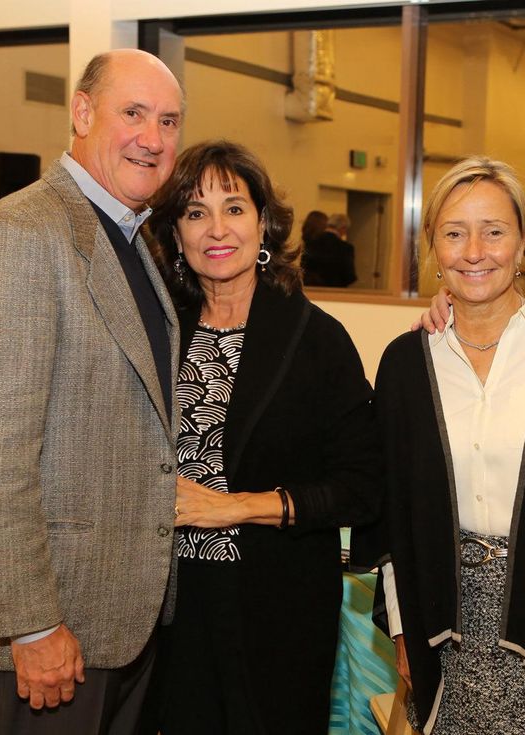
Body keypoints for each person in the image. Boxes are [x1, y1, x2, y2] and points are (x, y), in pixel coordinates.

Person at [0, 49, 184, 733]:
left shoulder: (129, 239)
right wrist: (33, 625)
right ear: (81, 112)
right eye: (132, 113)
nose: (153, 138)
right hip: (48, 635)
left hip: (114, 625)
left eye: (169, 121)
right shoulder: (18, 235)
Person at [141, 139, 380, 735]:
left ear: (263, 224)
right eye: (195, 212)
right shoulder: (158, 330)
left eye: (234, 208)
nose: (217, 229)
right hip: (165, 609)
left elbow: (362, 486)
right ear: (175, 233)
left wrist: (236, 507)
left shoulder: (317, 340)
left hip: (275, 609)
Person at [355, 157, 525, 734]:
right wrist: (404, 630)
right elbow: (393, 512)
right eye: (455, 233)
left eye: (494, 231)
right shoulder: (407, 364)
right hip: (442, 619)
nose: (475, 251)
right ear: (433, 248)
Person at [302, 211, 357, 287]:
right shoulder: (346, 248)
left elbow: (303, 270)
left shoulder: (311, 243)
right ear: (343, 228)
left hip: (312, 288)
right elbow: (350, 277)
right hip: (336, 290)